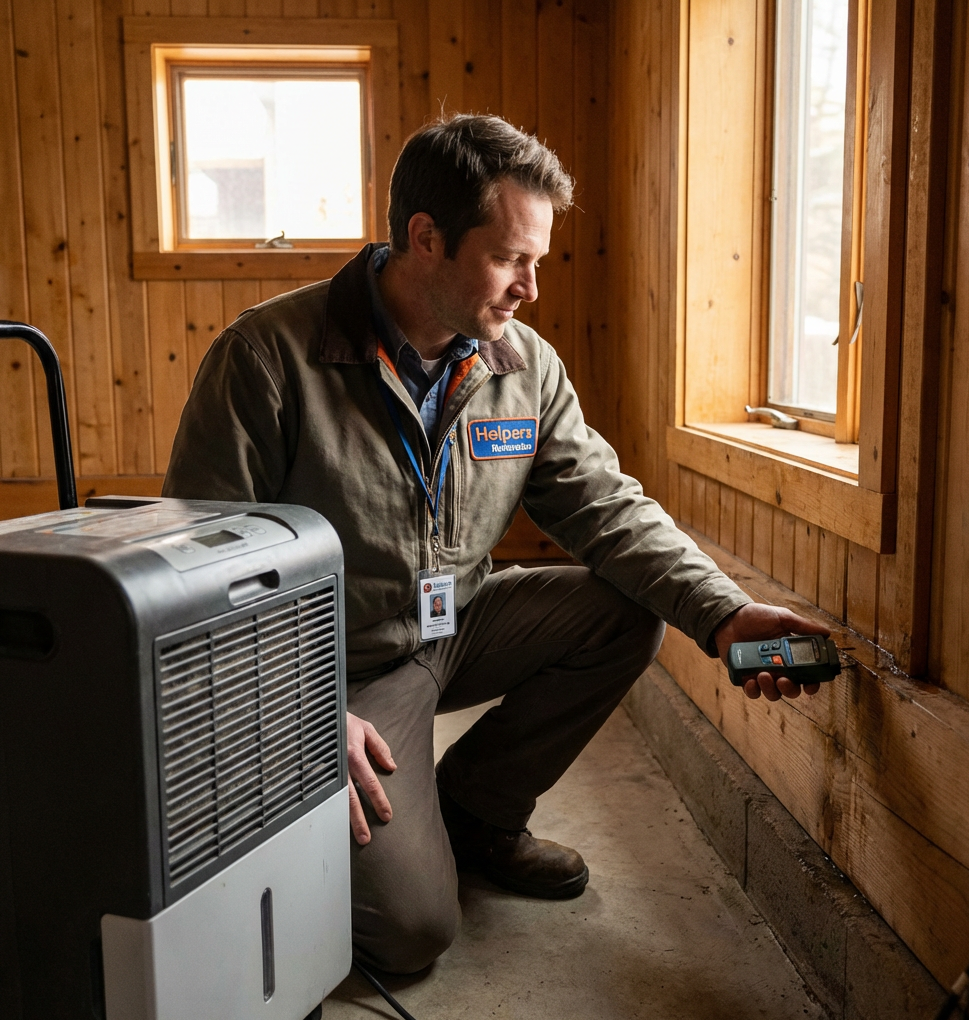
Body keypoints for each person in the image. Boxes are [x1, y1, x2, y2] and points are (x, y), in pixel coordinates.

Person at [163, 114, 827, 975]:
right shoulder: (266, 360)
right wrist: (299, 716)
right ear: (426, 238)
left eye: (539, 263)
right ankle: (333, 812)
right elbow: (195, 584)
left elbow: (604, 506)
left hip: (456, 626)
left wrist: (726, 614)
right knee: (413, 934)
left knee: (624, 614)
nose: (531, 289)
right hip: (336, 673)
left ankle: (477, 815)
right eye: (512, 259)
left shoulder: (522, 366)